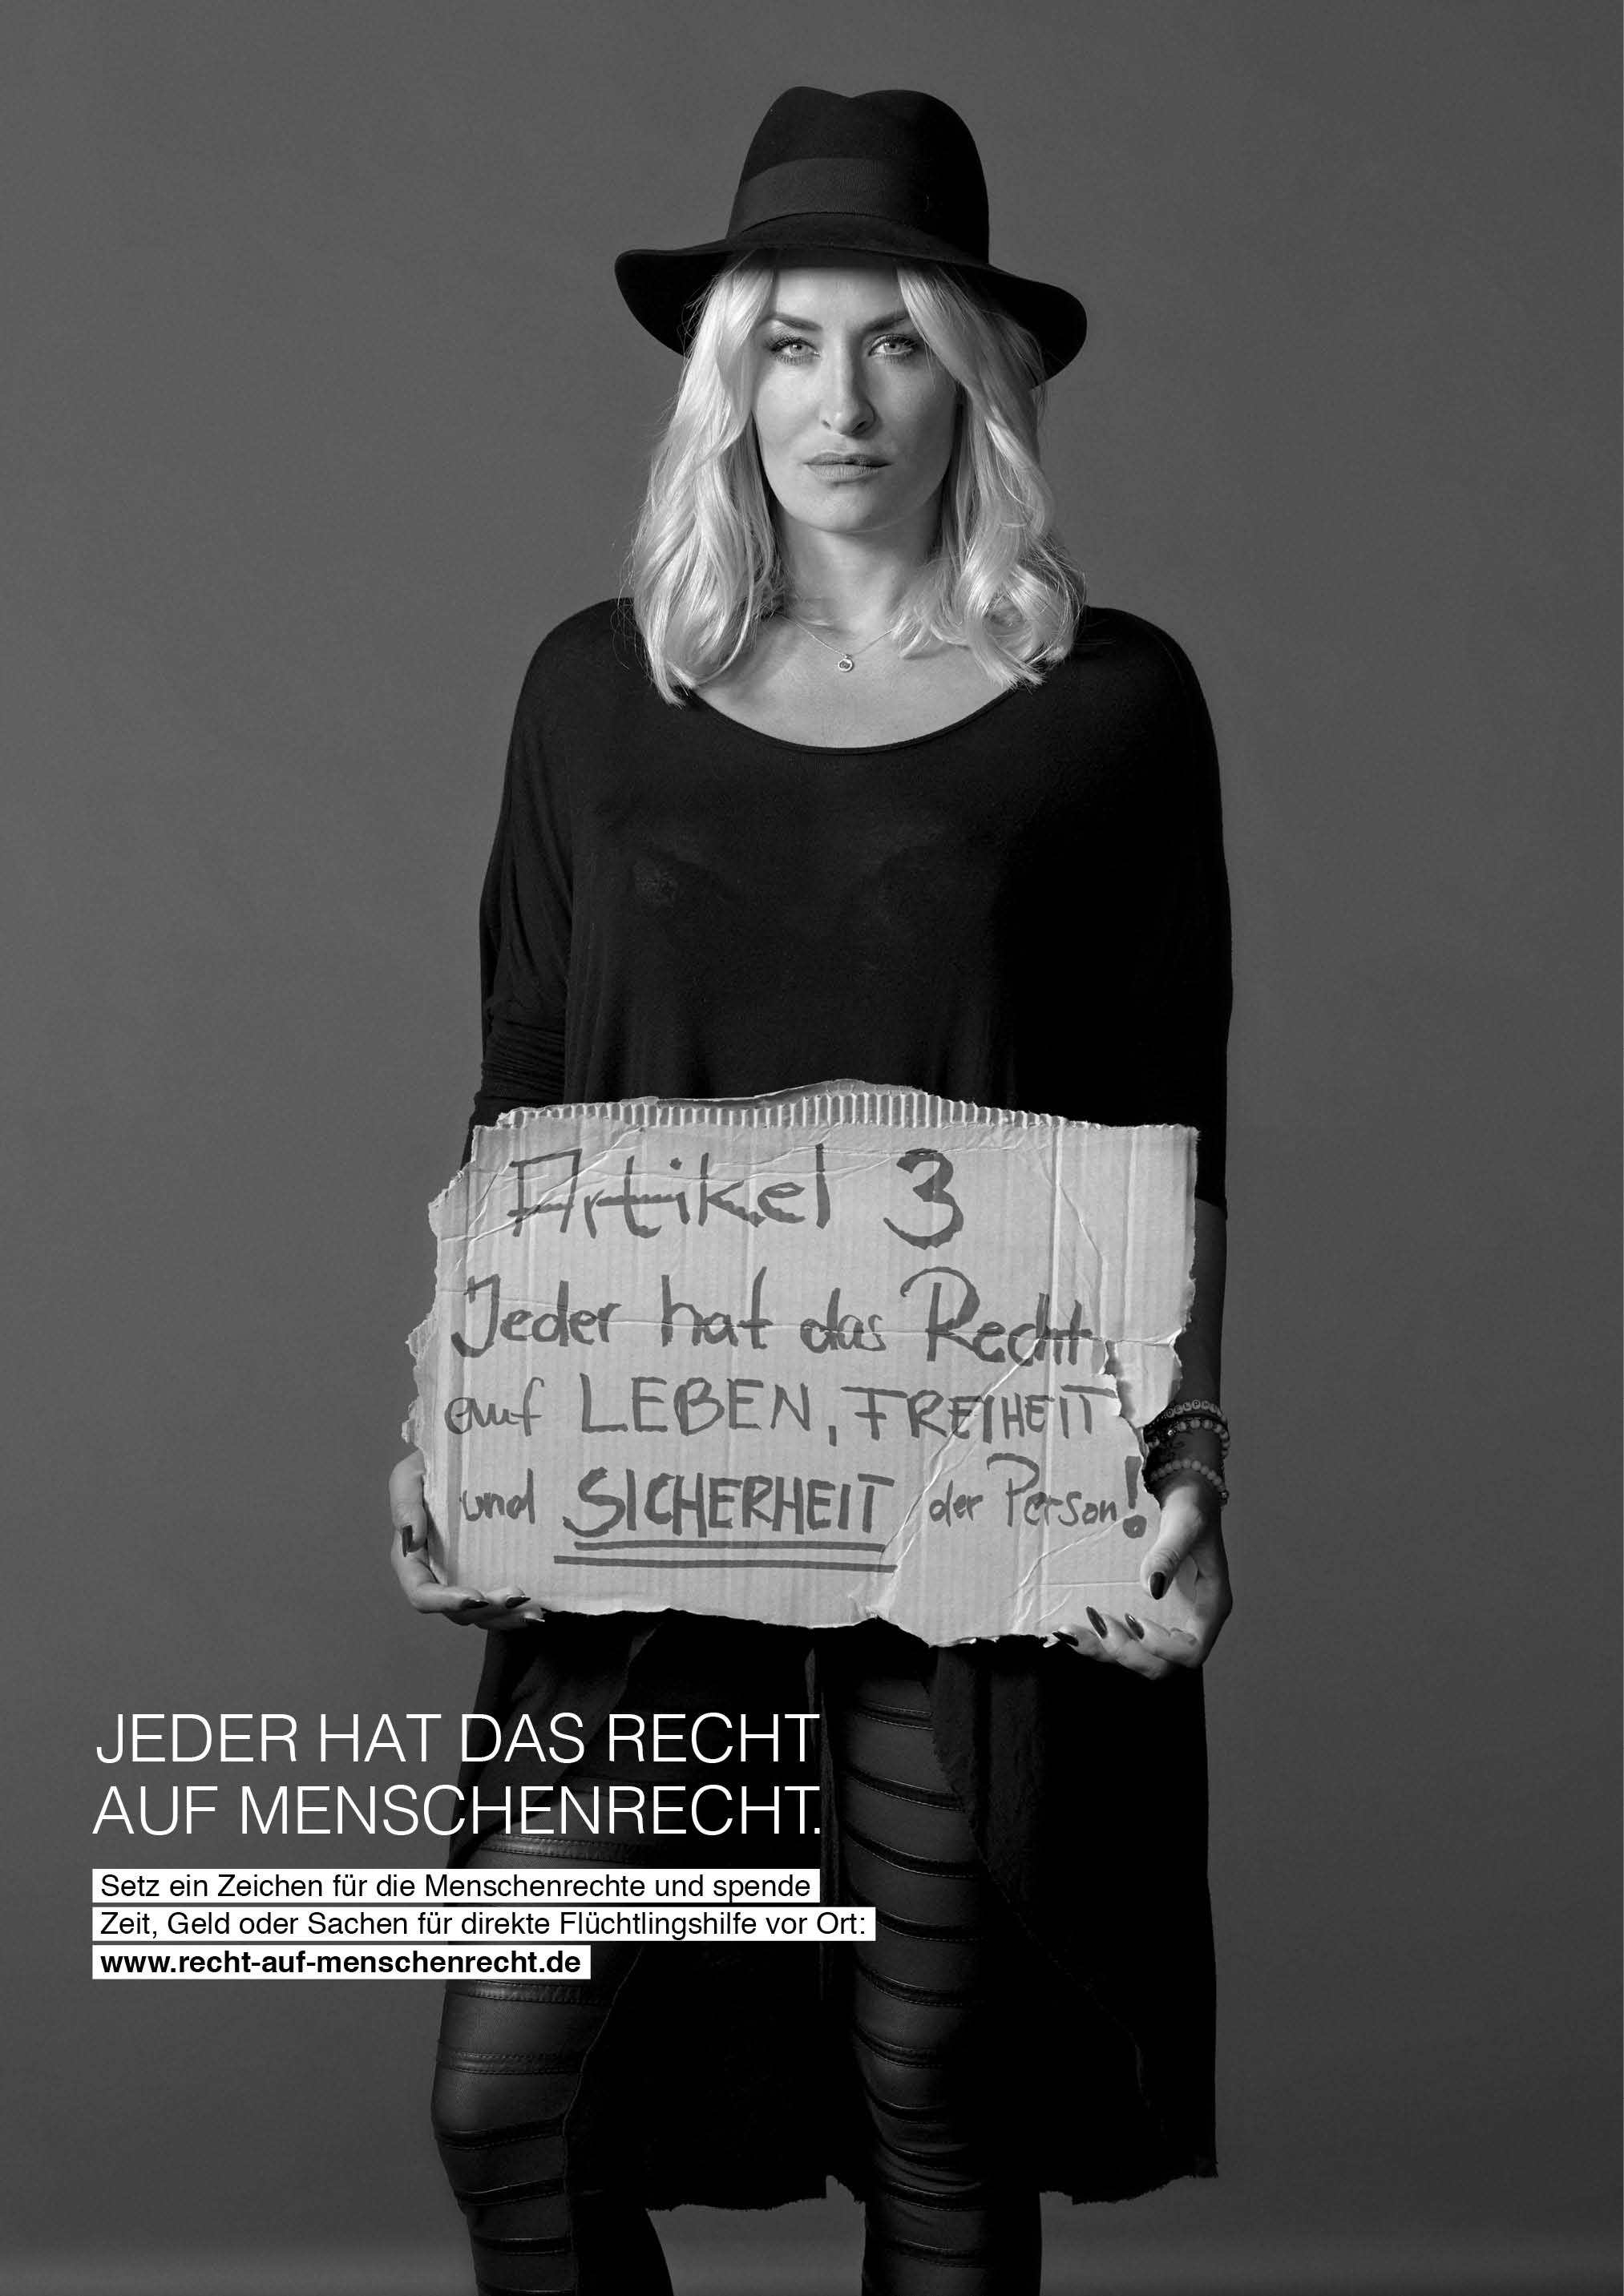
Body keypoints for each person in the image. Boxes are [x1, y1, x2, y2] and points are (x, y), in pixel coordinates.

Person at [390, 86, 1234, 2296]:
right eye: (786, 343)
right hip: (645, 1481)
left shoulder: (1109, 706)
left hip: (975, 1496)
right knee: (507, 2099)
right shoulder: (599, 692)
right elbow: (520, 1077)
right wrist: (461, 1419)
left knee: (934, 2094)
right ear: (725, 380)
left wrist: (1187, 1461)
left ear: (978, 382)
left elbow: (1167, 1116)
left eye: (895, 344)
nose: (838, 402)